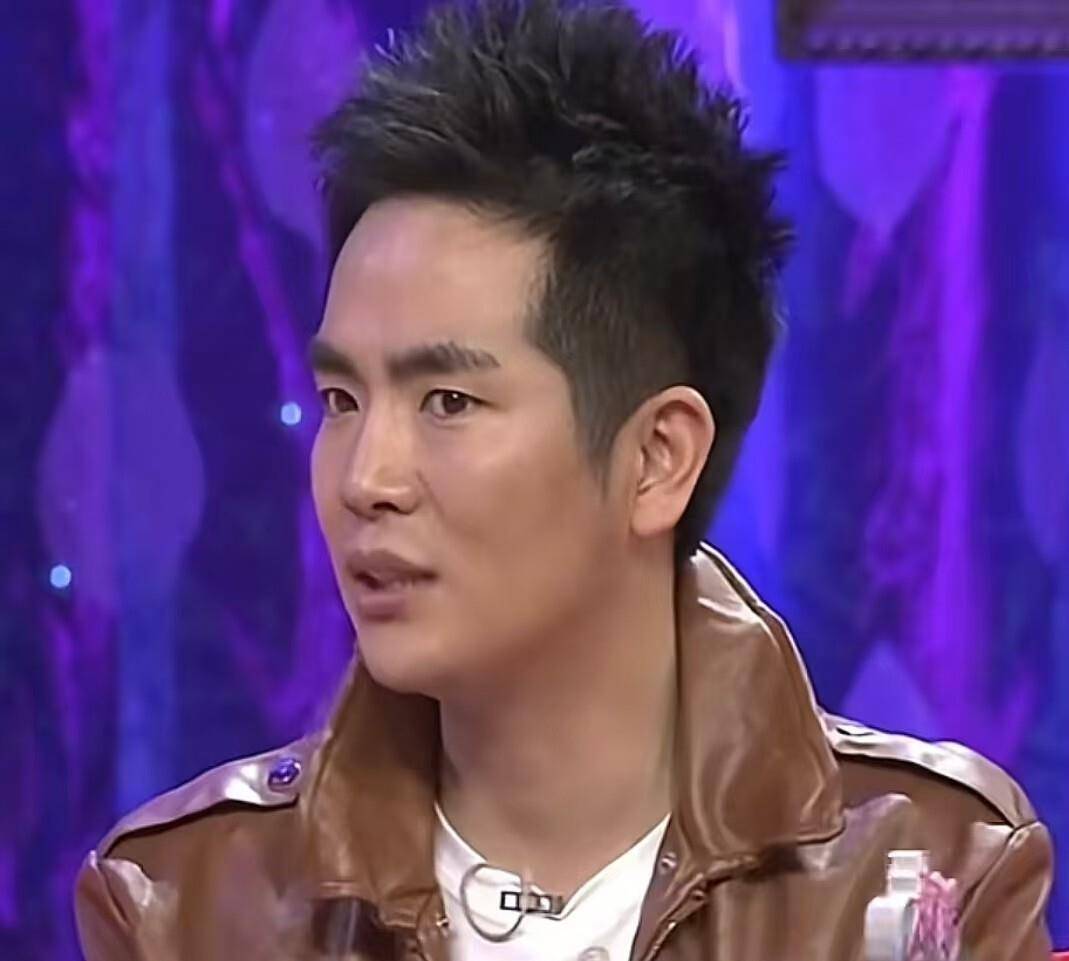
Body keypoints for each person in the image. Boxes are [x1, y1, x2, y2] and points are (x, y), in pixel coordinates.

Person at [74, 0, 1054, 958]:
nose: (366, 478)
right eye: (341, 399)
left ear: (658, 458)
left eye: (447, 401)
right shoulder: (188, 903)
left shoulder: (926, 879)